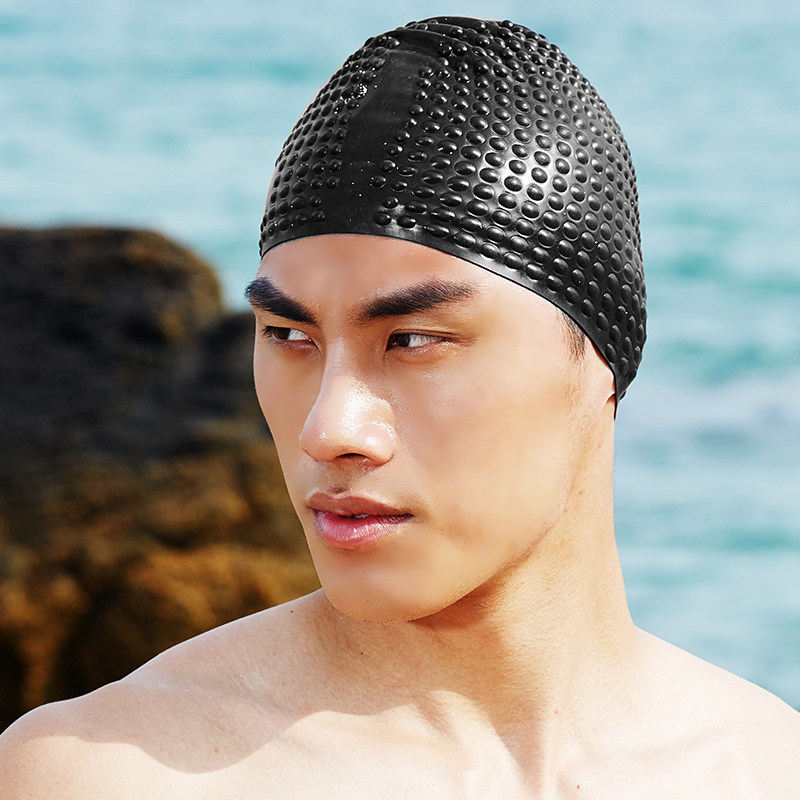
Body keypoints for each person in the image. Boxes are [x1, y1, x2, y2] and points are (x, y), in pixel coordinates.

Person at [1, 16, 798, 798]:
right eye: (289, 334)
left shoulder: (767, 769)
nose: (327, 429)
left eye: (412, 340)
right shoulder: (100, 775)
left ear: (600, 356)